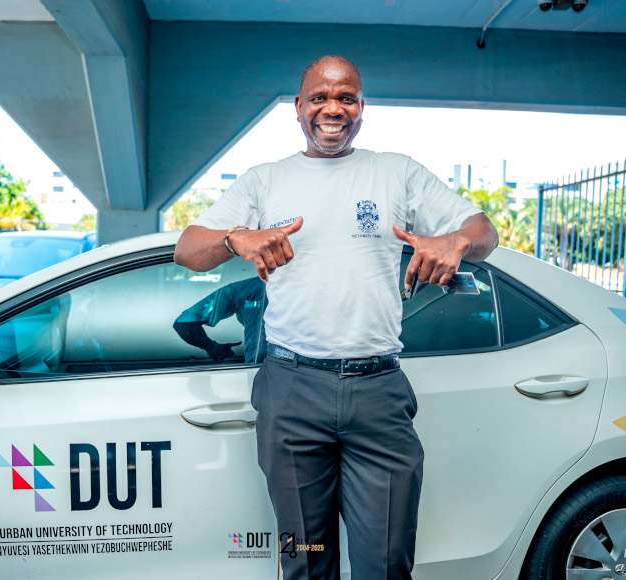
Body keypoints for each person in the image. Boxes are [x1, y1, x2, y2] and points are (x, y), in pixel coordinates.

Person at [174, 55, 498, 579]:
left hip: (378, 395)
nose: (333, 108)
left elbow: (484, 231)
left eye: (346, 98)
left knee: (385, 564)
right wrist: (236, 239)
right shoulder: (264, 181)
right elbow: (187, 249)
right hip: (292, 392)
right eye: (320, 98)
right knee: (305, 561)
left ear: (362, 107)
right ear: (298, 107)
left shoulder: (396, 172)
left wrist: (456, 241)